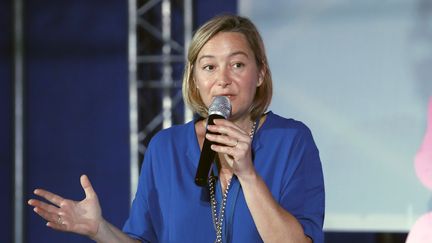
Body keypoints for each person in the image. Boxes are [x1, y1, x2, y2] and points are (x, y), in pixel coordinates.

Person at [28, 14, 325, 243]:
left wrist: (247, 175)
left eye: (237, 65)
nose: (223, 79)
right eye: (209, 67)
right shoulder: (165, 148)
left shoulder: (291, 141)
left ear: (260, 74)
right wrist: (100, 229)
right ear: (195, 79)